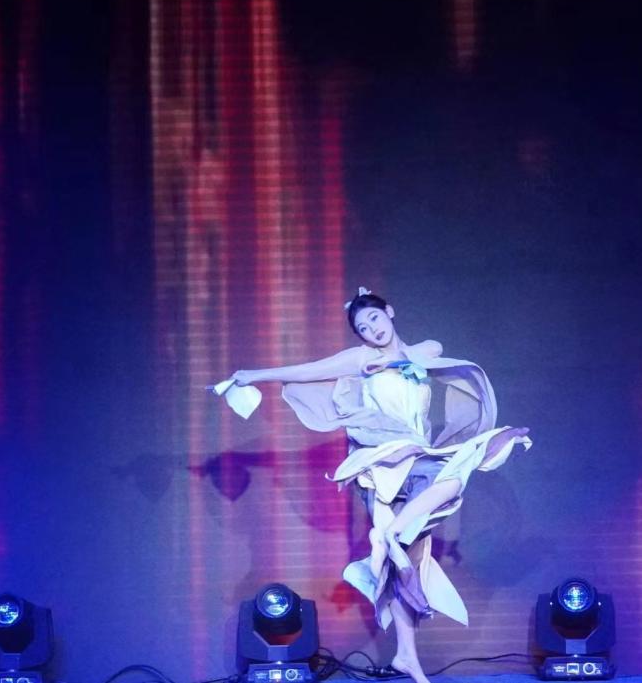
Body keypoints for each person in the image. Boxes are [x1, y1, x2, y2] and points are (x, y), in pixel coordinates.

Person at [225, 288, 532, 683]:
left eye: (374, 319)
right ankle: (386, 539)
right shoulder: (360, 359)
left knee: (410, 557)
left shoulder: (417, 353)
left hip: (417, 456)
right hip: (382, 461)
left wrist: (396, 361)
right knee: (428, 514)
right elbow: (307, 370)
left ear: (390, 311)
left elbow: (433, 347)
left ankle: (405, 653)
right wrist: (254, 376)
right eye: (363, 328)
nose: (372, 330)